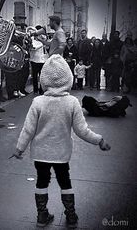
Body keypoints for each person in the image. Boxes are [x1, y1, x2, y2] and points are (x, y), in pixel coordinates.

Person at [10, 54, 111, 227]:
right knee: (65, 181)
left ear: (44, 79)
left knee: (42, 181)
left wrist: (19, 148)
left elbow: (28, 129)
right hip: (61, 154)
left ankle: (42, 216)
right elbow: (82, 130)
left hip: (40, 154)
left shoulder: (37, 102)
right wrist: (99, 140)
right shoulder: (71, 102)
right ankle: (71, 216)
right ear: (68, 78)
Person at [30, 25, 49, 95]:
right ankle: (35, 90)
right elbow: (33, 48)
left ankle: (41, 90)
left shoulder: (43, 38)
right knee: (34, 76)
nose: (41, 34)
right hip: (34, 60)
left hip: (42, 60)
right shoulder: (32, 39)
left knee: (42, 76)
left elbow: (46, 46)